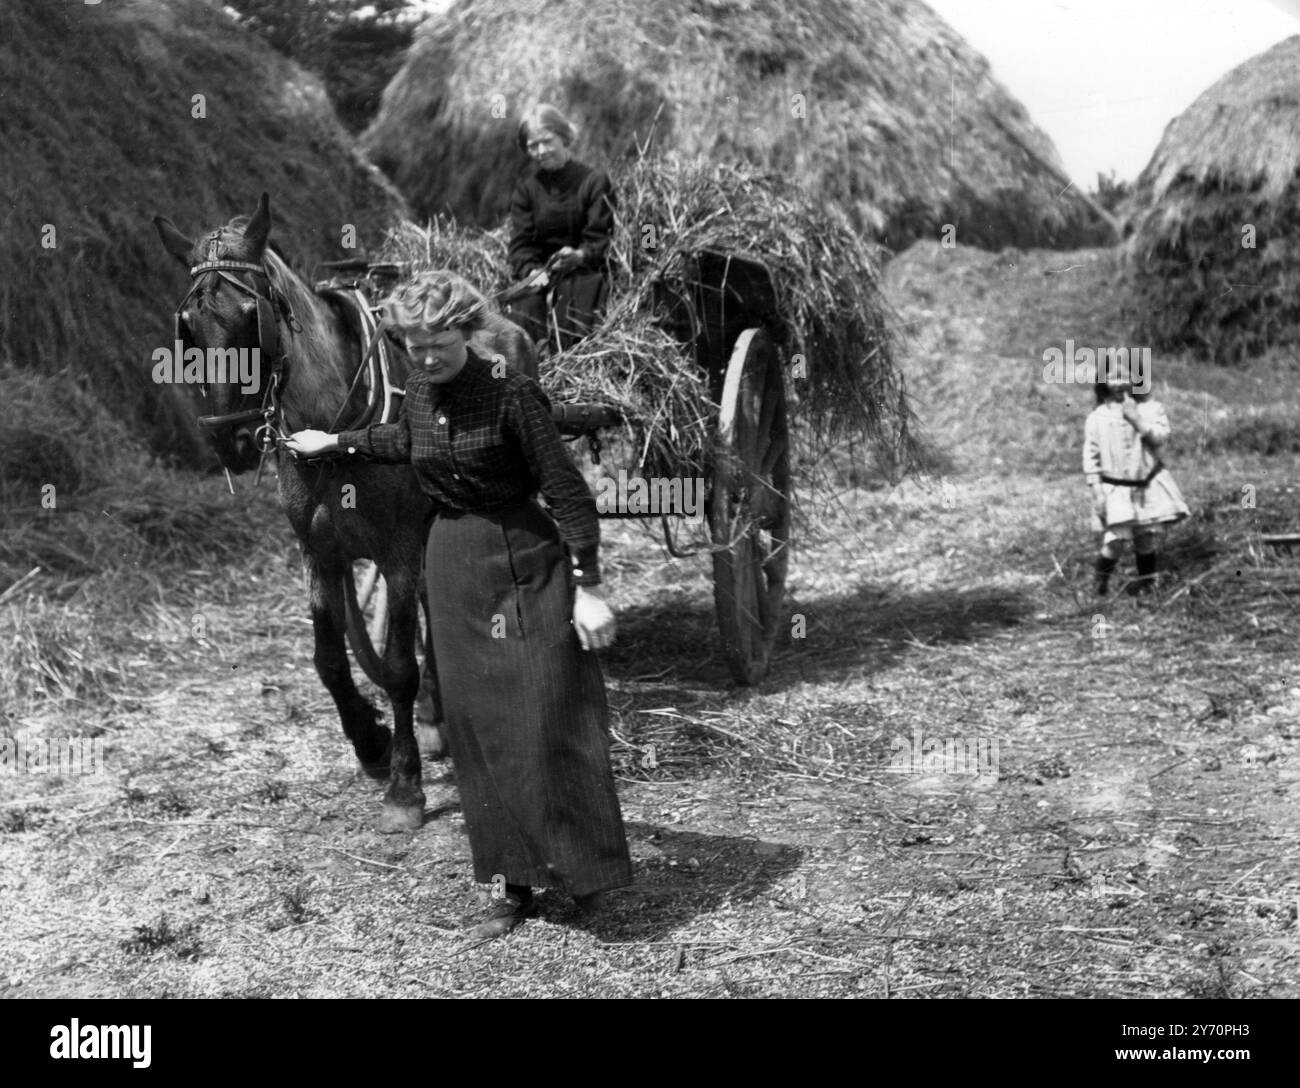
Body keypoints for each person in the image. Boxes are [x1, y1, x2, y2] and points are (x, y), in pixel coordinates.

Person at [285, 271, 633, 938]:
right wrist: (335, 443)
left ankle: (588, 874)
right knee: (477, 730)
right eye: (412, 346)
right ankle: (514, 886)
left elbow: (567, 490)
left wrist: (589, 588)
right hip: (451, 563)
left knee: (550, 709)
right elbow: (404, 444)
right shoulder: (417, 392)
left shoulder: (512, 394)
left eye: (437, 343)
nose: (424, 358)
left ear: (467, 332)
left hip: (524, 555)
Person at [504, 104, 616, 353]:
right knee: (524, 312)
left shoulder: (594, 181)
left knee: (577, 307)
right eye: (533, 146)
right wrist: (532, 270)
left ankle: (572, 362)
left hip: (583, 271)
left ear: (564, 137)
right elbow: (520, 243)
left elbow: (601, 236)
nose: (541, 151)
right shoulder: (527, 190)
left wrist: (579, 256)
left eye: (547, 141)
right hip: (542, 274)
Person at [1084, 365, 1189, 595]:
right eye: (1113, 377)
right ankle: (1099, 586)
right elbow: (1091, 458)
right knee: (1115, 541)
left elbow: (1161, 437)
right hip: (1115, 489)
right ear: (1103, 382)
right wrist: (1097, 492)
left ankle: (1147, 586)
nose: (1120, 382)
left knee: (1146, 539)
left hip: (1146, 486)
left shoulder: (1151, 409)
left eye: (1125, 376)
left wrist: (1136, 419)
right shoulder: (1096, 417)